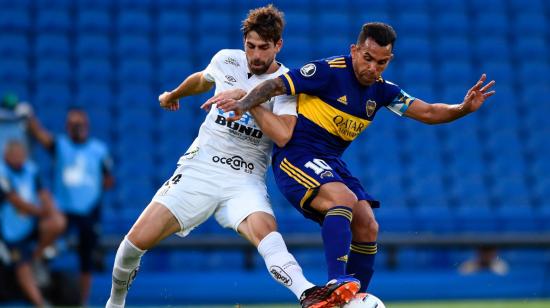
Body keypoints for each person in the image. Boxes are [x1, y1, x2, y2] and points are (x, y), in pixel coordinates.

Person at [204, 22, 496, 296]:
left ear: (389, 59)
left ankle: (353, 298)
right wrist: (243, 104)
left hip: (330, 162)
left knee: (368, 223)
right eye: (367, 58)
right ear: (355, 50)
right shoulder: (327, 71)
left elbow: (430, 112)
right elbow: (274, 85)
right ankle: (336, 281)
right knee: (342, 198)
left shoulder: (383, 91)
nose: (373, 67)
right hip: (296, 156)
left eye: (381, 62)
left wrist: (463, 108)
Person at [105, 5, 358, 308]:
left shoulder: (287, 84)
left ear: (278, 45)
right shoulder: (227, 59)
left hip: (245, 178)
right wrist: (173, 94)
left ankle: (307, 295)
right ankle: (115, 303)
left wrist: (247, 99)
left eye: (264, 48)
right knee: (133, 245)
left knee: (267, 233)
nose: (255, 55)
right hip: (200, 169)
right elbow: (202, 79)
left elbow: (283, 135)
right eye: (250, 46)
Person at [28, 107, 114, 305]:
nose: (78, 128)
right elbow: (42, 137)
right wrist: (29, 117)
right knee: (48, 241)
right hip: (63, 211)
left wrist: (97, 185)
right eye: (74, 125)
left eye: (81, 124)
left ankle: (82, 302)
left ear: (88, 126)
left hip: (89, 212)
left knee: (86, 260)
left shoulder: (98, 150)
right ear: (67, 127)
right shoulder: (61, 145)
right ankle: (38, 277)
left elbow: (108, 178)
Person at [0, 140, 66, 307]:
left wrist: (51, 211)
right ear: (6, 156)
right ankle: (40, 303)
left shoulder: (30, 170)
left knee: (57, 222)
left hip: (31, 224)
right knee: (22, 265)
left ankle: (36, 257)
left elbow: (43, 193)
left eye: (20, 155)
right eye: (14, 155)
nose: (18, 159)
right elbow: (14, 200)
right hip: (10, 230)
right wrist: (40, 212)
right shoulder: (2, 173)